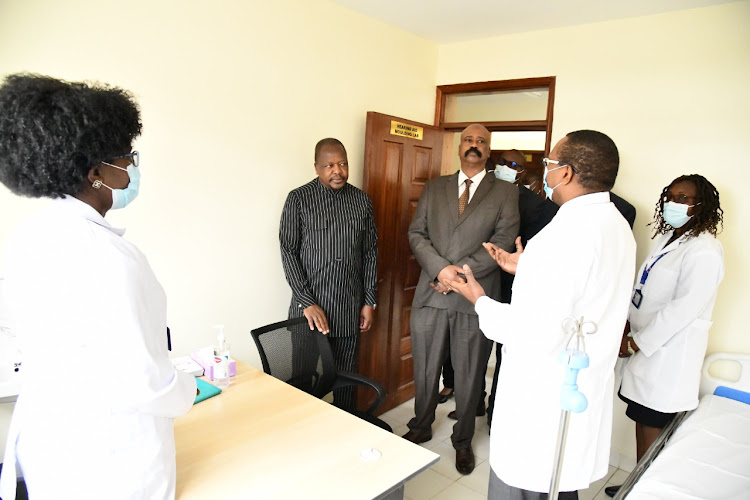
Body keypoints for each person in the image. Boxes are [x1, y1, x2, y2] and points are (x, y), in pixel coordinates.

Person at [0, 74, 197, 500]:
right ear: (95, 173)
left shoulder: (28, 239)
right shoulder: (110, 258)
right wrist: (189, 386)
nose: (131, 166)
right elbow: (150, 384)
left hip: (54, 445)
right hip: (113, 465)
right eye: (126, 158)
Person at [444, 130, 635, 498]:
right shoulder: (615, 225)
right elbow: (579, 293)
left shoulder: (565, 235)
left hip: (542, 398)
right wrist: (528, 268)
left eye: (549, 163)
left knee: (528, 482)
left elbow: (527, 329)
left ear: (565, 172)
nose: (545, 171)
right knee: (560, 482)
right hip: (578, 388)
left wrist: (477, 297)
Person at [402, 124, 520, 475]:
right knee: (425, 369)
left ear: (489, 150)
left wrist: (457, 277)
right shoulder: (435, 187)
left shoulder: (504, 192)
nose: (474, 146)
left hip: (475, 297)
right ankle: (421, 425)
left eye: (481, 142)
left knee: (470, 374)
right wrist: (440, 271)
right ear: (459, 147)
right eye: (468, 140)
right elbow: (416, 233)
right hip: (431, 291)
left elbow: (502, 240)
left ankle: (463, 439)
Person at [605, 174, 724, 497]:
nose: (674, 203)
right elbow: (644, 289)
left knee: (653, 427)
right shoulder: (669, 239)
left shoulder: (705, 250)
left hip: (667, 357)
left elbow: (683, 309)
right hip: (646, 351)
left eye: (684, 198)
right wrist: (626, 324)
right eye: (671, 196)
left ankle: (645, 490)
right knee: (643, 422)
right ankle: (638, 482)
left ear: (702, 205)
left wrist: (636, 342)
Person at [279, 138, 377, 411]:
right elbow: (288, 251)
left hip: (349, 309)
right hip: (309, 312)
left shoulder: (361, 201)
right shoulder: (298, 199)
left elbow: (370, 253)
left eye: (343, 163)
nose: (338, 171)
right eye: (330, 165)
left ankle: (344, 437)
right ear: (316, 168)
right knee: (303, 384)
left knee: (345, 382)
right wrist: (306, 301)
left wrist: (369, 301)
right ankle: (305, 437)